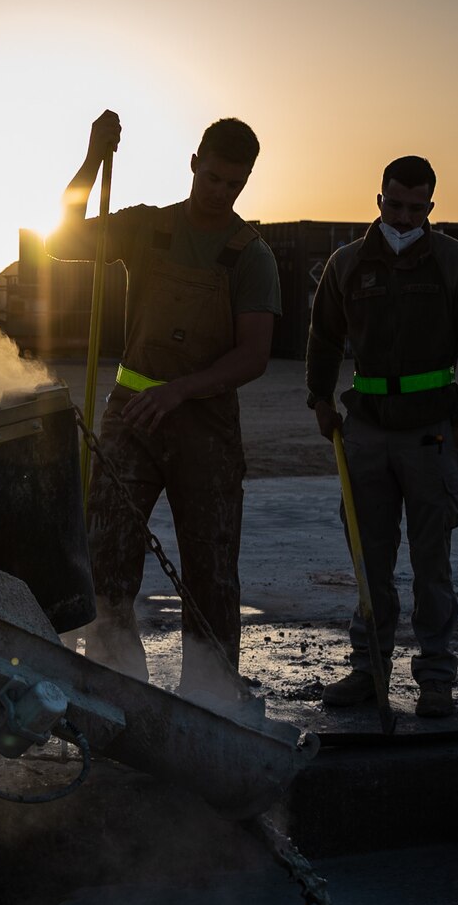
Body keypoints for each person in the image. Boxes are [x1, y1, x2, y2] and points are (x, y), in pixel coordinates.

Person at [45, 111, 281, 706]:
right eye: (214, 177)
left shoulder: (251, 256)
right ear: (194, 163)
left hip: (205, 426)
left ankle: (210, 700)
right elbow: (62, 238)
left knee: (212, 571)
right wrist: (95, 157)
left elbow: (254, 354)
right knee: (108, 561)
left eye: (235, 183)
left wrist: (181, 390)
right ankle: (116, 693)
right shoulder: (146, 229)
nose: (221, 191)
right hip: (130, 420)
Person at [306, 156, 458, 718]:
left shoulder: (457, 263)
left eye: (418, 208)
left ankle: (435, 678)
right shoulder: (346, 264)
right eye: (396, 204)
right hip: (366, 429)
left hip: (431, 432)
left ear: (431, 207)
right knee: (370, 562)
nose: (405, 216)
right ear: (379, 199)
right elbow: (321, 337)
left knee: (431, 564)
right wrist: (320, 398)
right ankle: (370, 670)